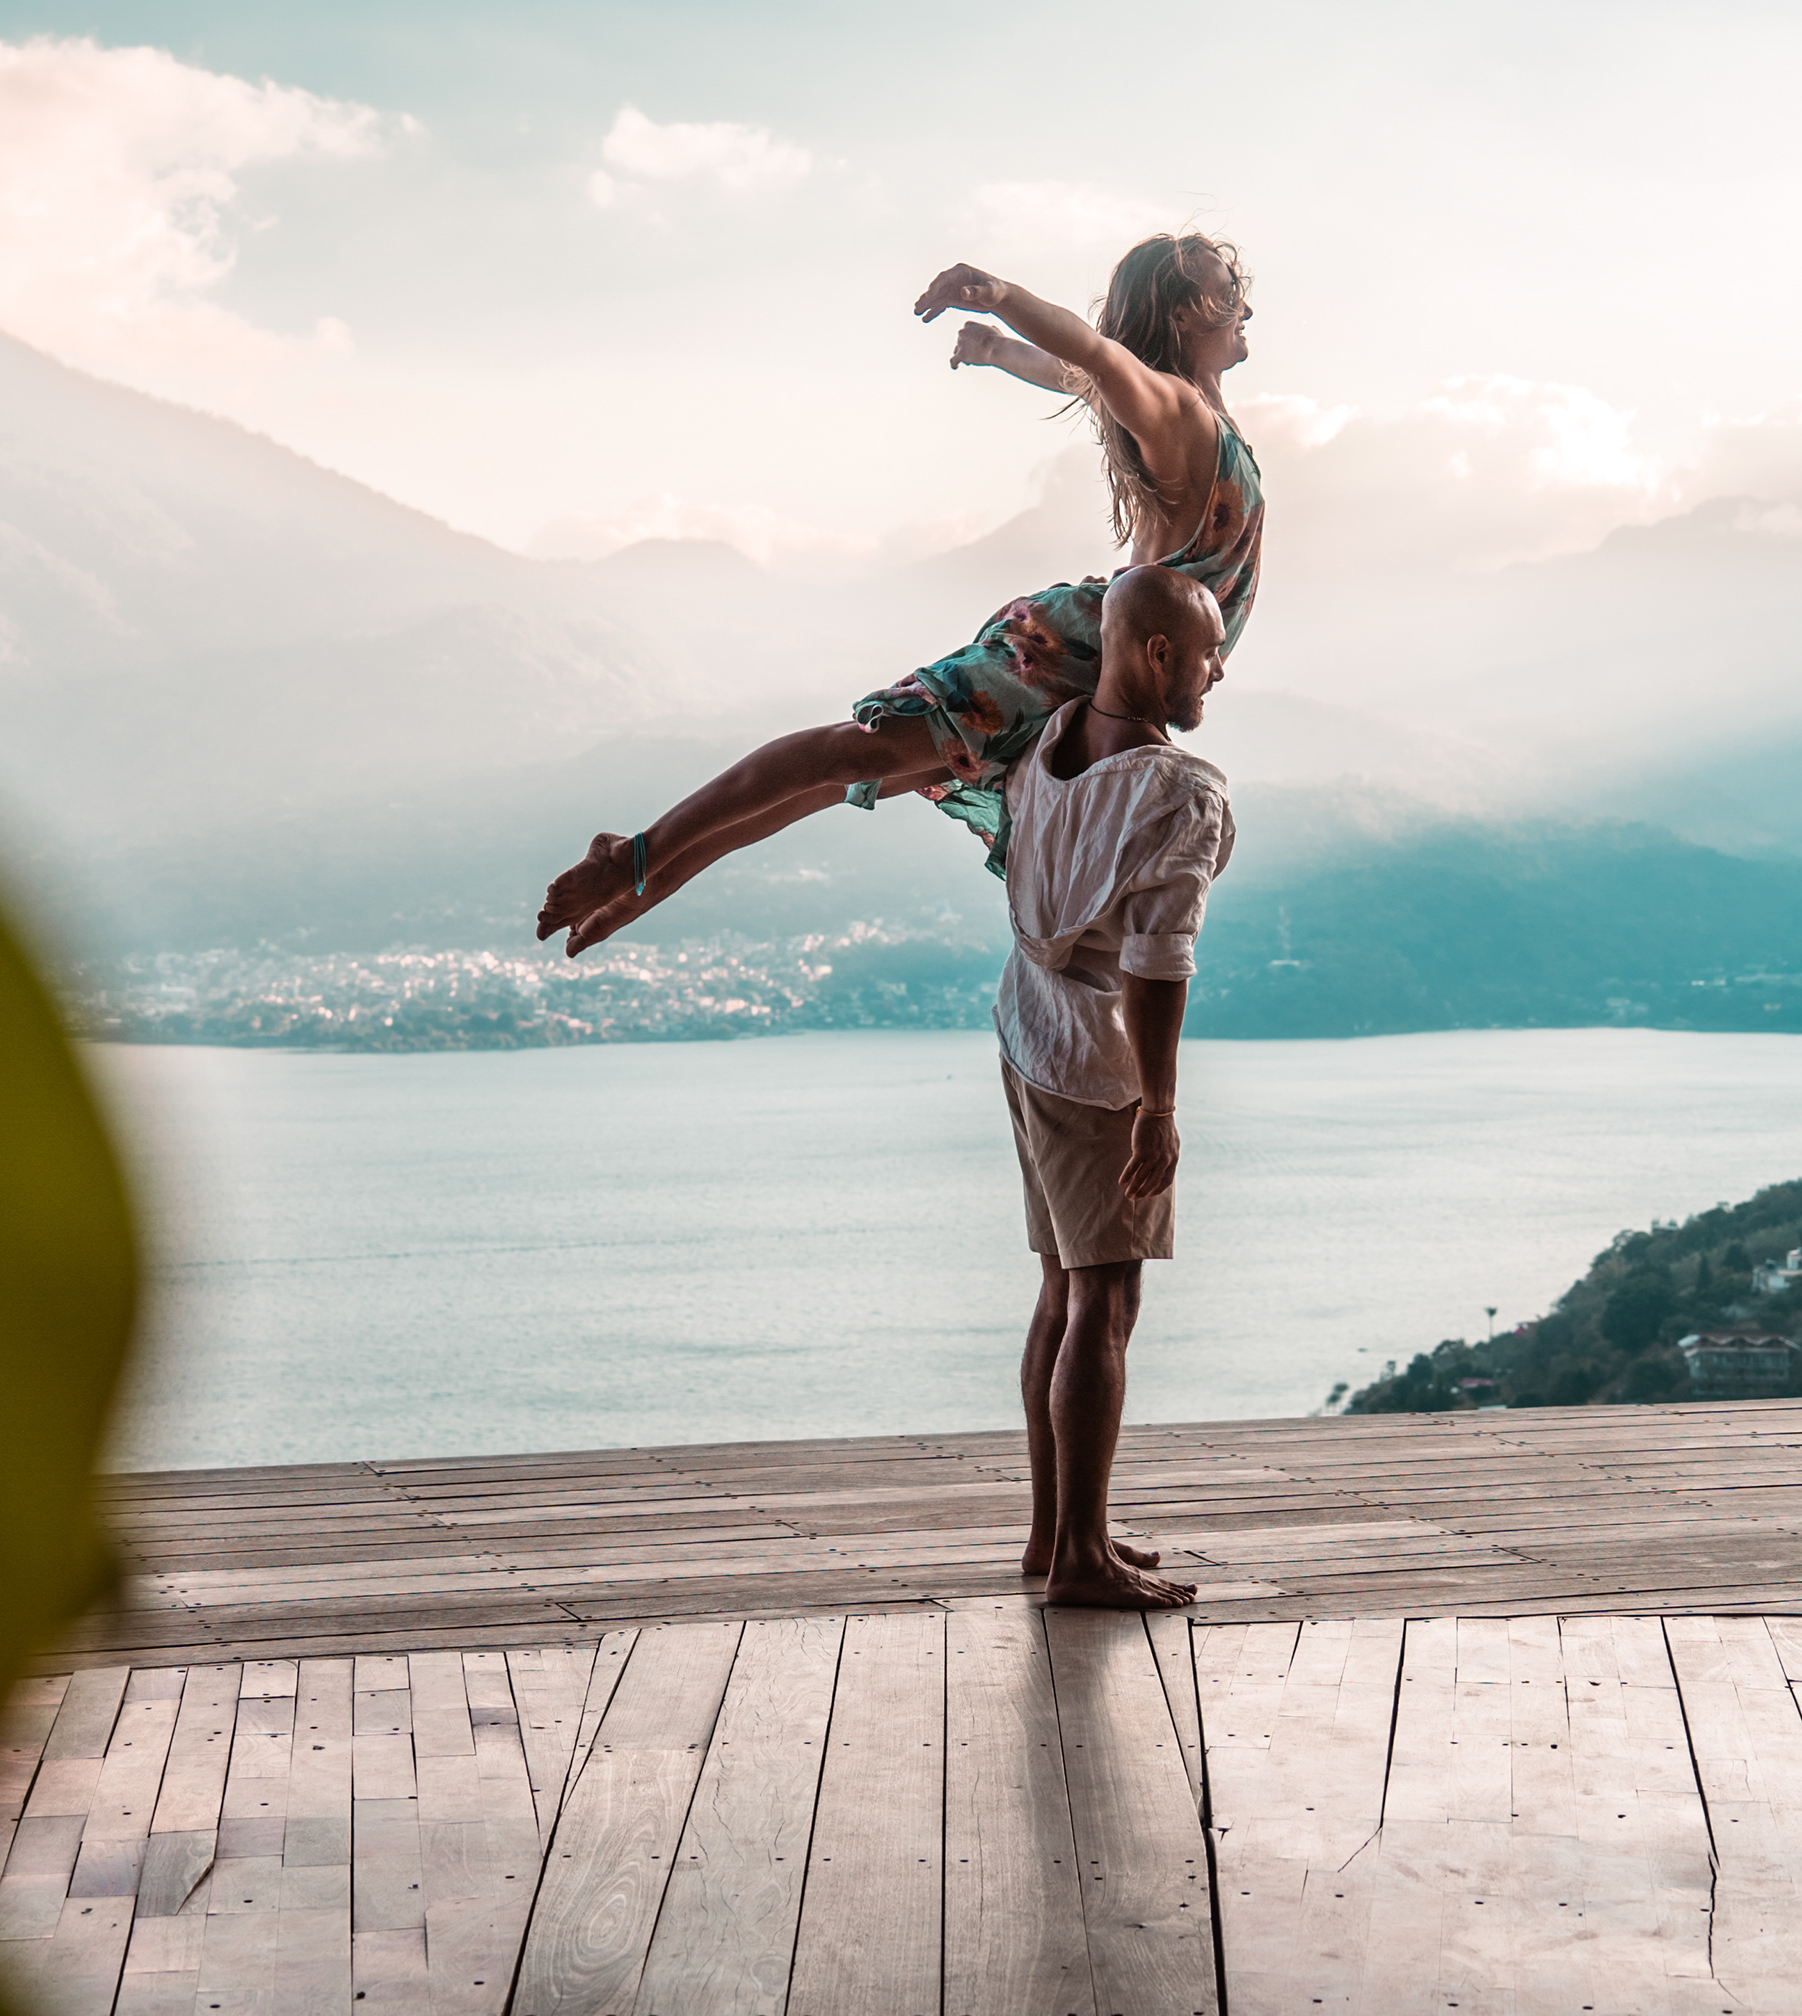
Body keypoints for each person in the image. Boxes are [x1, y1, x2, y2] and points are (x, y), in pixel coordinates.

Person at [532, 232, 1261, 954]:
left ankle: (641, 881)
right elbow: (1094, 358)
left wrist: (1001, 352)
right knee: (847, 756)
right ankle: (635, 857)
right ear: (1181, 317)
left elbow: (1082, 374)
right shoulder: (1182, 416)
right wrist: (1005, 301)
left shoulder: (1180, 412)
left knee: (856, 771)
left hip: (1095, 664)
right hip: (1073, 657)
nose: (1244, 311)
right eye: (1228, 297)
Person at [997, 564, 1233, 1610]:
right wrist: (1161, 1106)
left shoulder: (1045, 748)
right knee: (1108, 1291)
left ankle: (1058, 1534)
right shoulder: (1180, 791)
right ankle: (1082, 1558)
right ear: (1155, 655)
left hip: (1024, 1029)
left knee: (1060, 1280)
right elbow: (1157, 963)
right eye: (1207, 653)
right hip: (1095, 1060)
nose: (1218, 671)